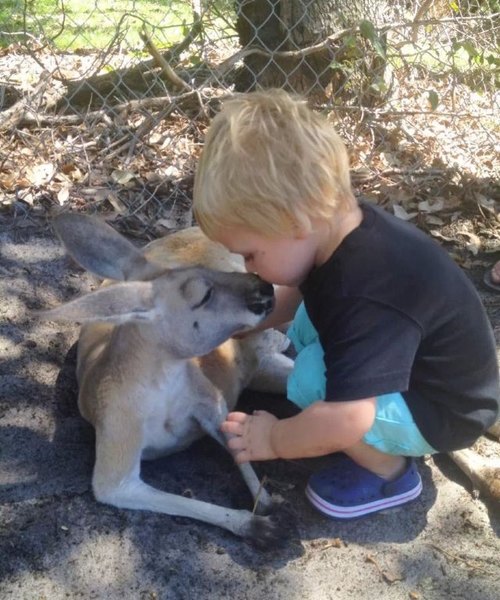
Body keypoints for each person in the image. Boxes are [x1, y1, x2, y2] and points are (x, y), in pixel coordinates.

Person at [192, 89, 500, 519]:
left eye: (250, 253)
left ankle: (391, 472)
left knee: (308, 381)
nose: (248, 267)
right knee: (303, 327)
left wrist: (275, 438)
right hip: (437, 370)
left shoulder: (365, 291)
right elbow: (304, 291)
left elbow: (347, 418)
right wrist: (253, 321)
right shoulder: (339, 232)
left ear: (295, 222)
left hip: (442, 411)